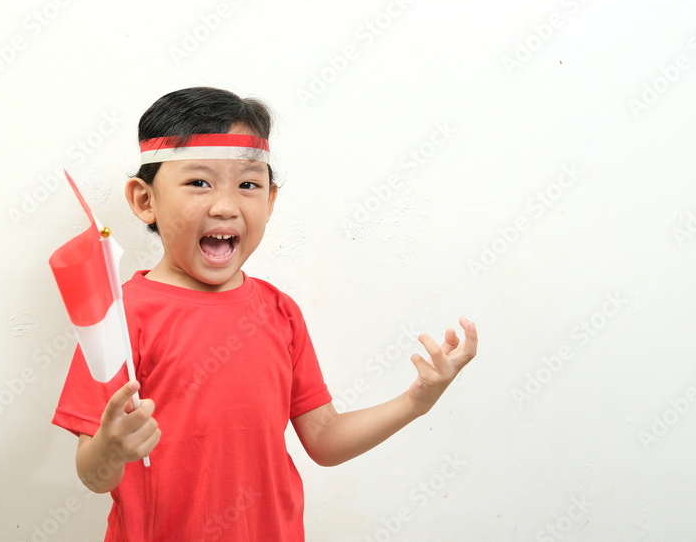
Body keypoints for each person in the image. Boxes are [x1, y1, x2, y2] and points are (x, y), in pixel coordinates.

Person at [52, 87, 478, 541]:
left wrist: (415, 402)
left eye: (248, 185)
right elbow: (94, 476)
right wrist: (110, 449)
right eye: (198, 182)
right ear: (145, 201)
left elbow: (324, 439)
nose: (225, 206)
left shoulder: (279, 312)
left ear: (270, 201)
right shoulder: (119, 319)